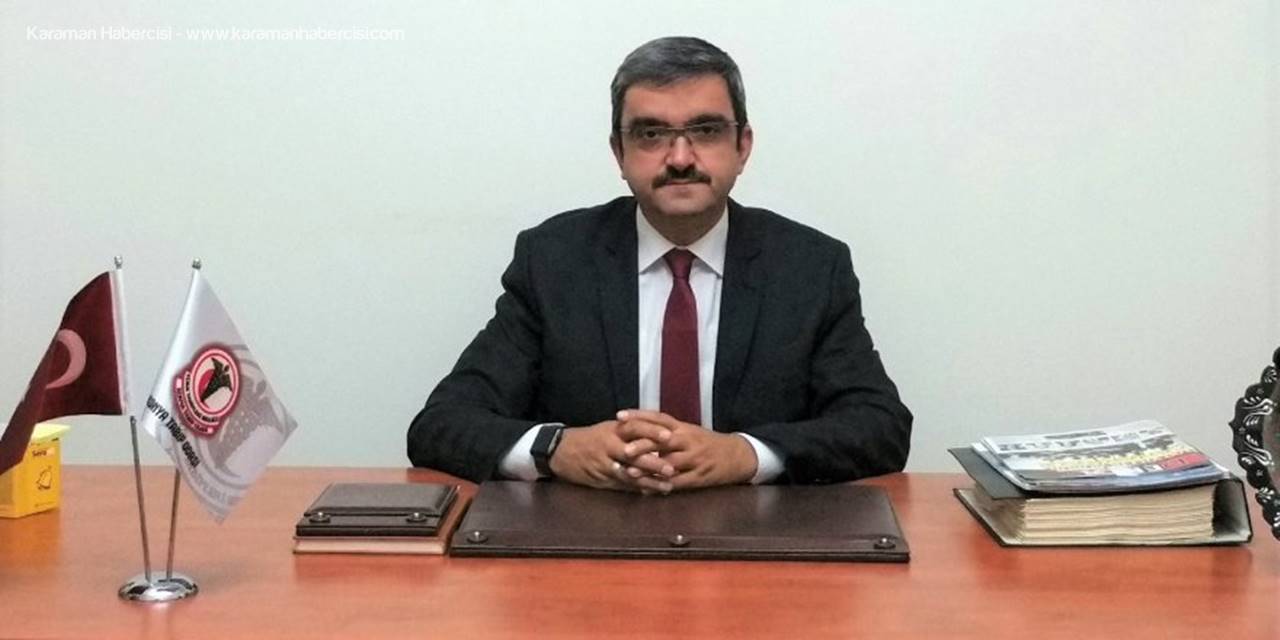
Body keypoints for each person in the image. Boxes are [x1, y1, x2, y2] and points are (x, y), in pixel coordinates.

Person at [408, 36, 911, 493]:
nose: (680, 158)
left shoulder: (809, 267)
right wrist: (556, 449)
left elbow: (880, 426)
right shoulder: (554, 261)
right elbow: (441, 423)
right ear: (619, 153)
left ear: (742, 147)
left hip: (759, 541)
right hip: (587, 539)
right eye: (651, 134)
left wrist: (745, 455)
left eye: (706, 131)